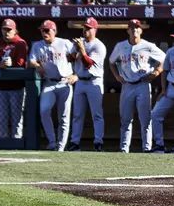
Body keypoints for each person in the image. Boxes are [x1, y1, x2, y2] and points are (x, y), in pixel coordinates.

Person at [109, 18, 165, 153]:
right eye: (132, 27)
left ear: (141, 30)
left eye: (137, 27)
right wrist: (117, 76)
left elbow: (164, 58)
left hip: (142, 84)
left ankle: (147, 148)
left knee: (145, 118)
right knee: (126, 119)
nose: (135, 29)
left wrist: (157, 71)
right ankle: (124, 148)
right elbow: (111, 61)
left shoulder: (148, 46)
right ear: (128, 30)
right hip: (127, 84)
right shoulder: (120, 46)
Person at [29, 20, 77, 151]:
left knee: (64, 116)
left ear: (54, 31)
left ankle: (61, 146)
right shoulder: (38, 45)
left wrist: (76, 75)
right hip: (49, 82)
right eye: (42, 30)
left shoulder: (65, 43)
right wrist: (37, 65)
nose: (44, 33)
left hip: (65, 81)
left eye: (47, 30)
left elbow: (78, 58)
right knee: (44, 110)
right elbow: (31, 60)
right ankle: (52, 141)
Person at [0, 19, 30, 140]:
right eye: (4, 29)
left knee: (17, 117)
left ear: (15, 30)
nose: (6, 32)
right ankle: (3, 142)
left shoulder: (20, 43)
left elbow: (21, 63)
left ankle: (17, 142)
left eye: (9, 30)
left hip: (17, 87)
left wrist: (12, 64)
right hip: (0, 87)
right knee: (2, 117)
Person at [70, 17, 107, 150]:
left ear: (94, 30)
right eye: (84, 27)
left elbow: (88, 63)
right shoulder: (81, 43)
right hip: (80, 81)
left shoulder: (98, 45)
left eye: (88, 28)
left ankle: (98, 142)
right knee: (77, 114)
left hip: (93, 81)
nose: (85, 30)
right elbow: (70, 58)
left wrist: (81, 49)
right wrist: (75, 50)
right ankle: (75, 142)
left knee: (96, 114)